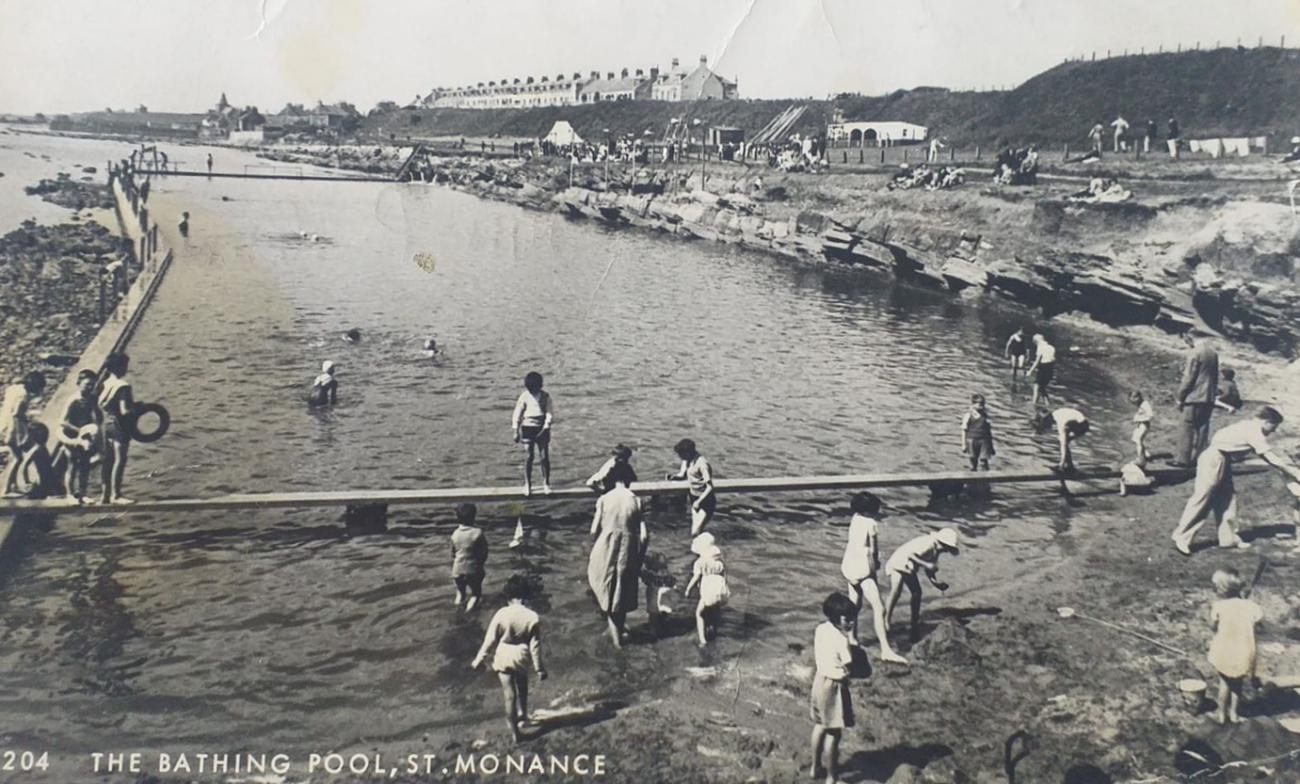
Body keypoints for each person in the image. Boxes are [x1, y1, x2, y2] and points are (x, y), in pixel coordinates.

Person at [1171, 406, 1300, 555]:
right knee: (1203, 498)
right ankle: (1182, 537)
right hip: (1214, 459)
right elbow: (1269, 457)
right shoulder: (1253, 431)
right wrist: (1294, 473)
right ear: (1267, 422)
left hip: (1222, 459)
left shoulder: (1247, 425)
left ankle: (1229, 538)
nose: (1273, 431)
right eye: (1273, 427)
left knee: (1227, 497)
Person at [470, 574, 547, 743]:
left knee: (509, 695)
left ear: (509, 597)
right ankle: (524, 716)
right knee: (523, 686)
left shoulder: (501, 613)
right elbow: (535, 646)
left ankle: (515, 733)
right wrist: (540, 669)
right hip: (521, 655)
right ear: (526, 596)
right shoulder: (532, 616)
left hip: (503, 655)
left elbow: (490, 640)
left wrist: (479, 659)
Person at [839, 492, 906, 664]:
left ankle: (852, 639)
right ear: (871, 511)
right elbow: (874, 550)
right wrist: (875, 564)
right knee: (879, 607)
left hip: (848, 564)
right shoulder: (871, 524)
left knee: (855, 604)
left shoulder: (855, 519)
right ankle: (885, 649)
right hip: (862, 568)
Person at [587, 462, 646, 647]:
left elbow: (593, 530)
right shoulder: (636, 500)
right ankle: (617, 629)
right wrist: (639, 556)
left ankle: (617, 644)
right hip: (628, 550)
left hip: (606, 547)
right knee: (621, 592)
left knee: (603, 586)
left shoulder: (604, 499)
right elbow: (644, 536)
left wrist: (596, 543)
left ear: (612, 480)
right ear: (629, 479)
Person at [809, 592, 858, 784]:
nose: (851, 623)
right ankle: (832, 778)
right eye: (848, 619)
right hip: (835, 686)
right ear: (837, 617)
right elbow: (850, 663)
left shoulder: (820, 629)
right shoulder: (841, 639)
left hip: (819, 681)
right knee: (834, 732)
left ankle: (815, 767)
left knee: (820, 725)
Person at [885, 528, 960, 642]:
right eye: (947, 548)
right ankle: (886, 620)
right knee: (896, 590)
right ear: (942, 543)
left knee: (917, 592)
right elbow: (911, 555)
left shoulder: (936, 550)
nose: (946, 551)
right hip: (899, 561)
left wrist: (935, 583)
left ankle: (914, 620)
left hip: (909, 567)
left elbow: (929, 569)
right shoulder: (928, 544)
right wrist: (926, 564)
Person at [1207, 569, 1261, 725]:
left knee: (1224, 684)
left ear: (1220, 590)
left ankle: (1221, 715)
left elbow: (1213, 626)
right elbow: (1258, 623)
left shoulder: (1219, 606)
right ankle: (1234, 714)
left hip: (1224, 651)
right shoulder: (1251, 606)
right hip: (1243, 652)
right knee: (1238, 685)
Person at [1173, 333, 1219, 467]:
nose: (1187, 343)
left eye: (1186, 340)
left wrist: (1180, 396)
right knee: (1203, 429)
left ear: (1189, 337)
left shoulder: (1195, 352)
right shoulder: (1213, 353)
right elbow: (1214, 377)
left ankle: (1182, 459)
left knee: (1186, 427)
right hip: (1209, 396)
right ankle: (1201, 459)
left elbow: (1189, 377)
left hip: (1194, 396)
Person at [57, 369, 101, 503]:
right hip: (71, 435)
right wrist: (79, 431)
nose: (90, 387)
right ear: (79, 383)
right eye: (87, 384)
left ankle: (82, 494)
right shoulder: (73, 400)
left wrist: (95, 428)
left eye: (92, 385)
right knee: (72, 464)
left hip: (85, 435)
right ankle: (70, 495)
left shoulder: (92, 398)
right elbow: (63, 421)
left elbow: (97, 415)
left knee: (85, 465)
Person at [1, 370, 46, 496]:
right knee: (17, 459)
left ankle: (13, 486)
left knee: (17, 457)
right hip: (13, 428)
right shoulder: (24, 395)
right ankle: (6, 489)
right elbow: (16, 414)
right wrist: (25, 427)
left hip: (4, 424)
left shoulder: (15, 388)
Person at [97, 353, 134, 505]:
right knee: (120, 459)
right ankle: (116, 495)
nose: (126, 368)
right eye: (125, 365)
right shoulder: (123, 386)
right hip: (119, 424)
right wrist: (137, 409)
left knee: (108, 460)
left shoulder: (105, 383)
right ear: (119, 367)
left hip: (107, 423)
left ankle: (105, 495)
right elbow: (124, 410)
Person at [511, 372, 553, 496]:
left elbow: (550, 413)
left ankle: (546, 483)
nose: (533, 390)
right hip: (527, 428)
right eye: (531, 388)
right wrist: (515, 430)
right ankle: (527, 484)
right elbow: (517, 414)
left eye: (535, 388)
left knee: (544, 456)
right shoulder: (524, 397)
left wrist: (546, 426)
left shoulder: (546, 396)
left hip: (542, 428)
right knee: (529, 456)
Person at [684, 532, 729, 646]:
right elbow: (724, 576)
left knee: (699, 613)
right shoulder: (719, 562)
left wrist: (688, 589)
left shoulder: (700, 562)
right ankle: (713, 631)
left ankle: (702, 640)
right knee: (714, 612)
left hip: (708, 591)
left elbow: (696, 578)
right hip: (719, 591)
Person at [667, 438, 715, 535]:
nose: (680, 457)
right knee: (695, 530)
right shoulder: (687, 461)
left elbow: (710, 487)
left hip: (705, 501)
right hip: (693, 498)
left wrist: (698, 501)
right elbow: (683, 475)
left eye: (681, 454)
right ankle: (701, 546)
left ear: (688, 452)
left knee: (695, 532)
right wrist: (674, 477)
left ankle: (705, 545)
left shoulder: (702, 464)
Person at [450, 503, 488, 611]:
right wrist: (481, 564)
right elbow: (484, 552)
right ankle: (468, 613)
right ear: (473, 517)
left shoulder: (455, 534)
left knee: (460, 593)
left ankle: (457, 611)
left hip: (457, 570)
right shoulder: (478, 533)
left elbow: (453, 553)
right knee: (475, 594)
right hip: (473, 569)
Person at [1036, 406, 1090, 472]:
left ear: (1049, 419)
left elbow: (1063, 444)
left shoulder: (1060, 421)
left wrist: (1061, 465)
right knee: (1065, 442)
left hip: (1081, 425)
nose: (1050, 425)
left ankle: (1064, 465)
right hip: (1081, 423)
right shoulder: (1056, 413)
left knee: (1063, 442)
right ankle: (1069, 465)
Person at [12, 422, 56, 500]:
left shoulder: (43, 448)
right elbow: (24, 466)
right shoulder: (37, 449)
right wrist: (27, 482)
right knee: (39, 497)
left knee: (44, 497)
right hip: (41, 480)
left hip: (46, 478)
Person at [960, 394, 996, 471]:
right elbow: (964, 430)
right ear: (973, 404)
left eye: (983, 403)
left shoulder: (986, 416)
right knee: (973, 459)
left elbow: (988, 431)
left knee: (984, 460)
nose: (981, 405)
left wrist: (991, 446)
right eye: (979, 403)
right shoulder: (968, 415)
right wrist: (963, 444)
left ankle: (985, 479)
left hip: (984, 441)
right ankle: (973, 476)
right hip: (972, 440)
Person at [1026, 333, 1057, 407]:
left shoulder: (1040, 347)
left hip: (1043, 367)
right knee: (1042, 387)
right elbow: (1053, 359)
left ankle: (1034, 404)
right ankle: (1048, 403)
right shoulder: (1051, 347)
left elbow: (1037, 361)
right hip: (1050, 368)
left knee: (1036, 386)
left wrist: (1030, 371)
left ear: (1036, 341)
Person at [1129, 391, 1154, 467]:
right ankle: (1146, 454)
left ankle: (1141, 459)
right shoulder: (1140, 404)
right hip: (1140, 424)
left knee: (1138, 439)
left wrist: (1138, 419)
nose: (1134, 400)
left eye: (1135, 397)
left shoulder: (1145, 404)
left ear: (1140, 397)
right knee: (1134, 438)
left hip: (1144, 424)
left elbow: (1150, 416)